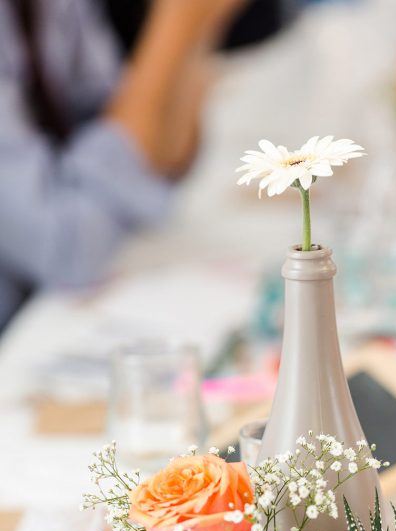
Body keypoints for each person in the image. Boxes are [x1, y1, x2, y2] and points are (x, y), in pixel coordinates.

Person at [0, 0, 247, 332]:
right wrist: (176, 24)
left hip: (51, 316)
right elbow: (69, 248)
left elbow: (164, 154)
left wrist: (201, 23)